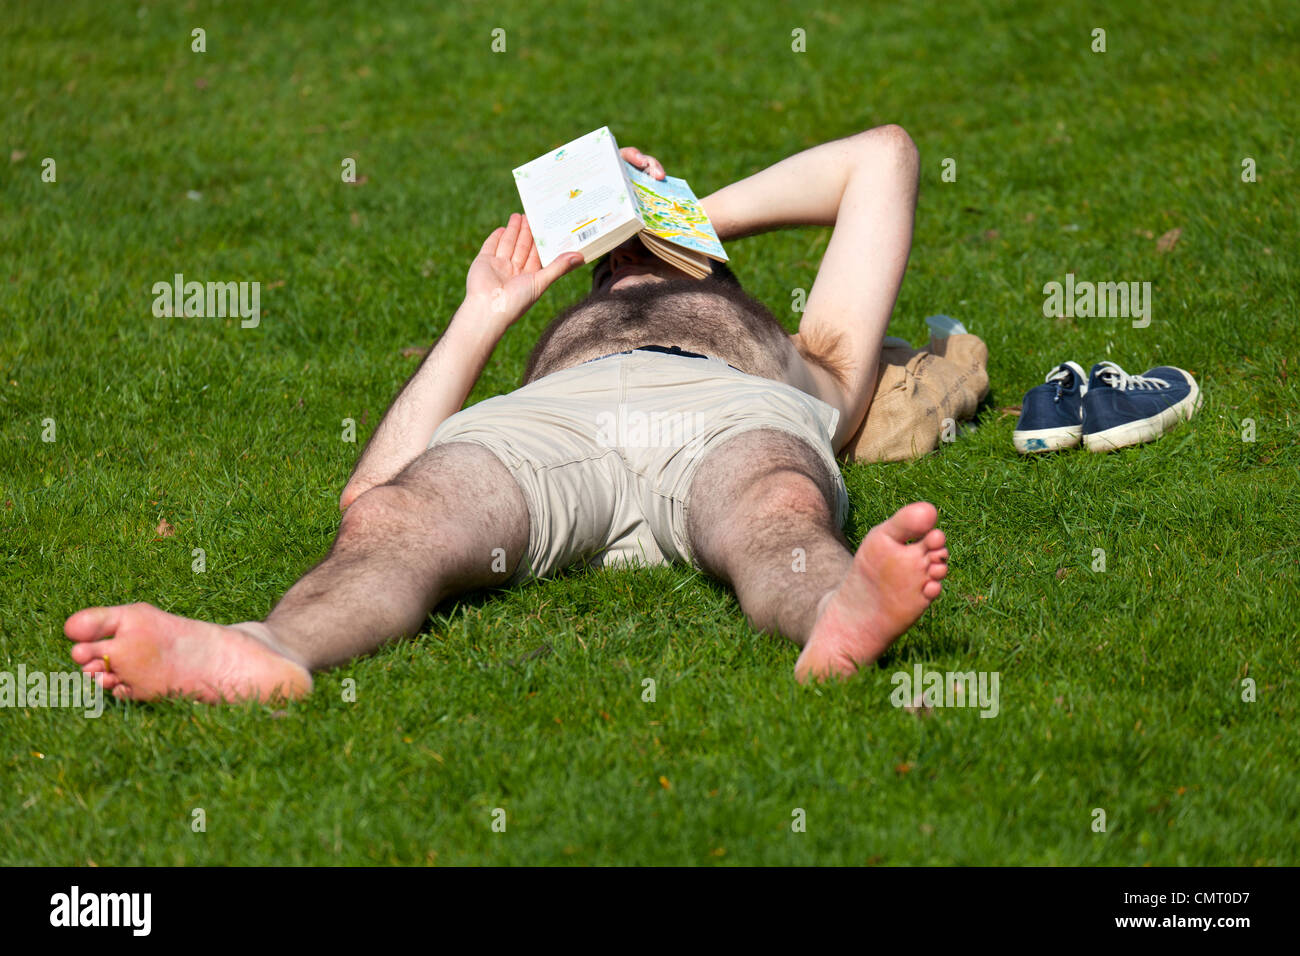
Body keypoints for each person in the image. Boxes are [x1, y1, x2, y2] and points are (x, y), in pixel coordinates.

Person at [64, 126, 949, 702]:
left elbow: (884, 157)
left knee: (775, 513)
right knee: (395, 518)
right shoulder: (560, 331)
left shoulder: (811, 352)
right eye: (610, 258)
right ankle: (266, 648)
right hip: (551, 428)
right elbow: (370, 488)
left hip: (724, 413)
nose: (621, 264)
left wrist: (673, 219)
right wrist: (486, 309)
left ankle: (835, 608)